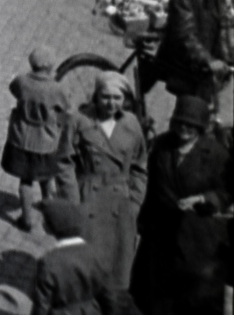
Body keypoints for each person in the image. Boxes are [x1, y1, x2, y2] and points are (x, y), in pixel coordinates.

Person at [130, 94, 228, 315]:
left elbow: (226, 193)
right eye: (180, 122)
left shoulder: (216, 154)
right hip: (161, 234)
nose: (185, 128)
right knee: (155, 297)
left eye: (191, 124)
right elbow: (152, 187)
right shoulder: (163, 145)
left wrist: (204, 199)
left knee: (194, 300)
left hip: (198, 240)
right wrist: (143, 223)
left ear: (201, 127)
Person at [69, 73, 146, 294]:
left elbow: (140, 167)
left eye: (117, 97)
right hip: (89, 196)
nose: (111, 103)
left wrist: (135, 202)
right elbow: (65, 161)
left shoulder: (131, 124)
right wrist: (73, 197)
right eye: (105, 97)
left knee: (117, 266)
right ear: (96, 96)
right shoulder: (81, 121)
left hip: (120, 202)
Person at [155, 0, 231, 104]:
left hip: (204, 63)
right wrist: (208, 60)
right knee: (190, 114)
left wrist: (226, 57)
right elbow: (184, 35)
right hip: (186, 64)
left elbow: (221, 24)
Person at [3, 47, 72, 232]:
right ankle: (50, 215)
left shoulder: (22, 82)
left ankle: (26, 219)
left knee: (25, 181)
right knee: (47, 179)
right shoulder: (56, 89)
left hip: (22, 139)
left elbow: (13, 89)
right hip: (46, 142)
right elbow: (66, 107)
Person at [30, 199, 118, 315]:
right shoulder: (97, 254)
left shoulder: (48, 263)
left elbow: (41, 307)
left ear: (49, 229)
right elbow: (109, 298)